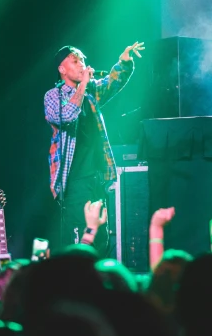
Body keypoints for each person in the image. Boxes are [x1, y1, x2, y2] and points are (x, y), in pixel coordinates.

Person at [44, 42, 145, 254]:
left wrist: (124, 61)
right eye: (75, 61)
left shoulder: (90, 94)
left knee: (101, 238)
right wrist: (82, 85)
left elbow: (112, 83)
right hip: (73, 182)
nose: (82, 64)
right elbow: (68, 115)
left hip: (97, 178)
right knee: (80, 240)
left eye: (82, 60)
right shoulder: (53, 96)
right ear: (62, 69)